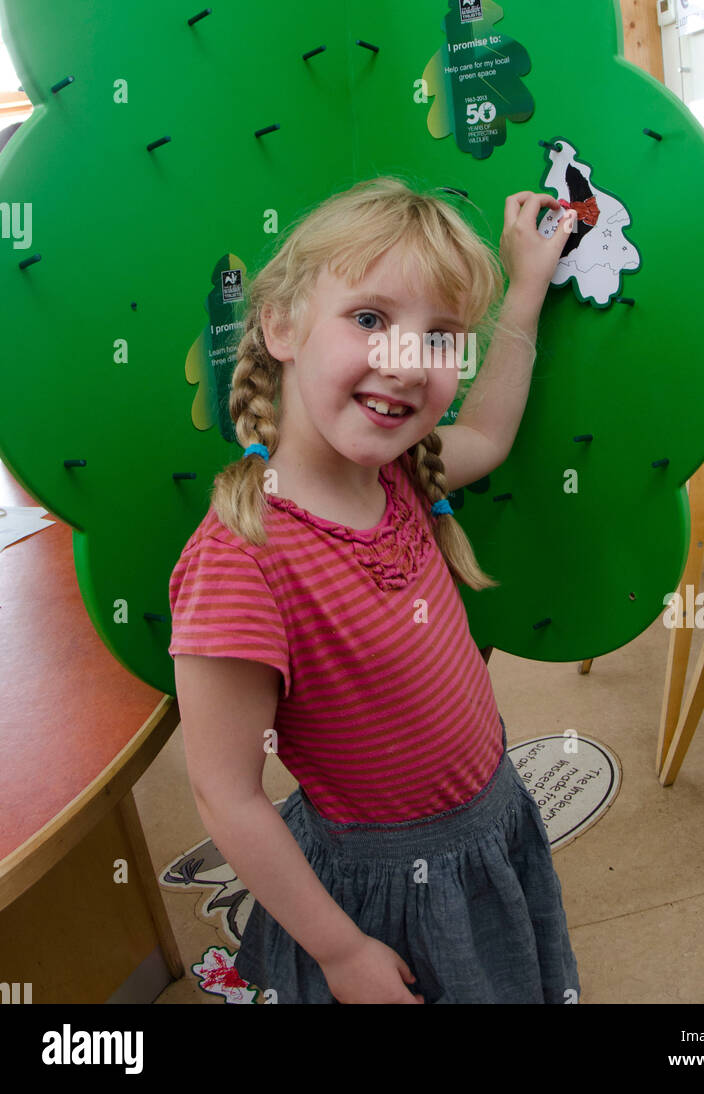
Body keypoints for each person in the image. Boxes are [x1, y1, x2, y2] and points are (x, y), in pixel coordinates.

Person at [168, 175, 579, 1004]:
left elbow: (490, 434)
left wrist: (525, 287)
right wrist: (343, 952)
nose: (404, 361)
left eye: (439, 338)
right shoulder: (240, 561)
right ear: (281, 324)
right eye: (368, 319)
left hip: (490, 824)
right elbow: (226, 794)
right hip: (385, 891)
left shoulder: (399, 476)